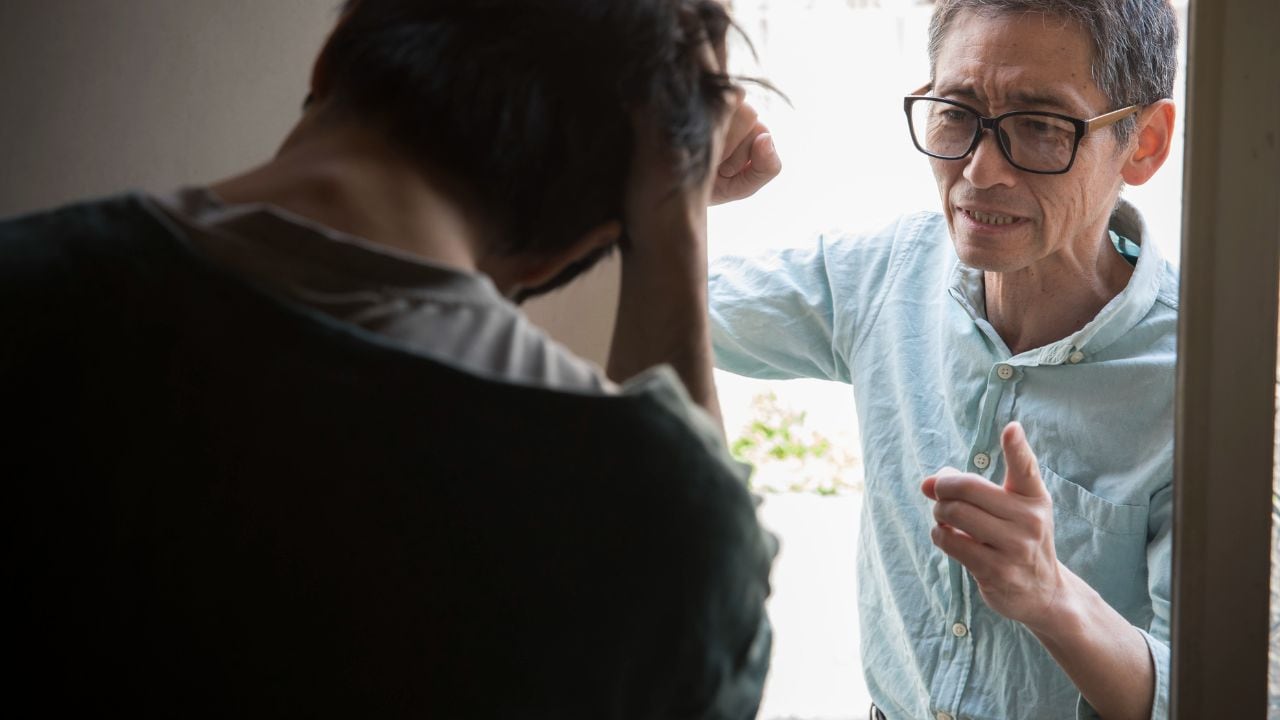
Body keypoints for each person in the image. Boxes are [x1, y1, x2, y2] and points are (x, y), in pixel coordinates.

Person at [0, 0, 775, 716]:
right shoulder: (654, 528)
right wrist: (673, 232)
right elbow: (699, 643)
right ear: (558, 255)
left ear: (332, 57)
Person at [694, 0, 1180, 718]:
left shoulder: (1195, 383)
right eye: (956, 112)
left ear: (1143, 143)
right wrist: (680, 185)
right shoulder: (884, 274)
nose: (979, 172)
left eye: (1040, 126)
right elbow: (666, 304)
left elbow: (1205, 692)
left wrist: (1051, 597)